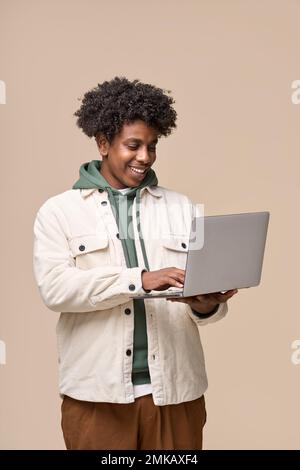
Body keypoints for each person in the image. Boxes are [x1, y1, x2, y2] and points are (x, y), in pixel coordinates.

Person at [33, 77, 238, 450]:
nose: (145, 156)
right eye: (133, 145)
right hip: (98, 398)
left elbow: (201, 306)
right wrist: (140, 280)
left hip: (176, 393)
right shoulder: (58, 212)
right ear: (102, 142)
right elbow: (55, 290)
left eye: (152, 146)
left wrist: (207, 305)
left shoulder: (183, 208)